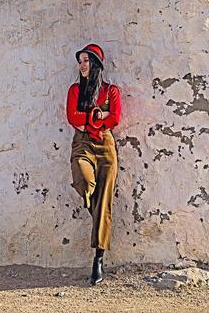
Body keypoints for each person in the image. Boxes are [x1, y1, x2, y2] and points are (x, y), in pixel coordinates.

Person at [65, 42, 122, 285]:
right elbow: (72, 117)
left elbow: (115, 118)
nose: (82, 65)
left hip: (106, 147)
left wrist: (89, 120)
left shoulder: (111, 91)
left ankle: (98, 257)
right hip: (82, 144)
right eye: (80, 61)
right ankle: (90, 201)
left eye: (86, 60)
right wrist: (98, 117)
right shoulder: (75, 90)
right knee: (83, 179)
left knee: (105, 201)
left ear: (96, 64)